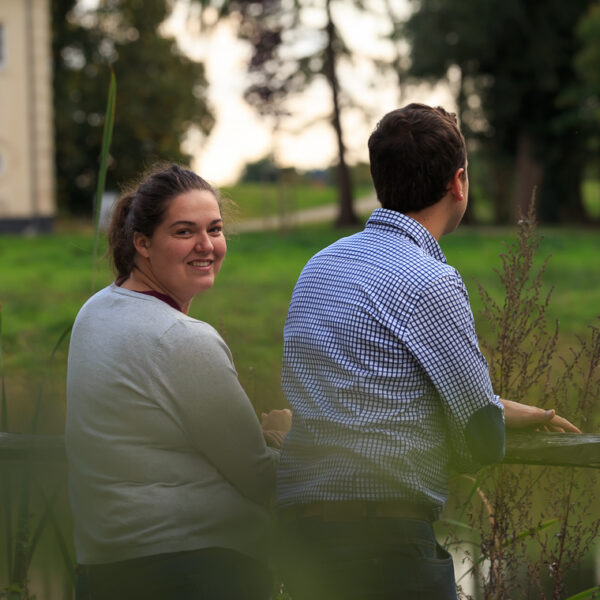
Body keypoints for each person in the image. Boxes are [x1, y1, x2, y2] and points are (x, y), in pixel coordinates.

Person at [274, 104, 580, 600]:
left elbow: (372, 385)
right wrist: (483, 418)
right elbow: (483, 440)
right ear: (458, 182)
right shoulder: (430, 281)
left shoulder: (320, 265)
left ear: (381, 179)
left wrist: (498, 407)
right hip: (386, 548)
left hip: (305, 541)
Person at [65, 164, 291, 600]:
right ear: (143, 243)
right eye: (184, 231)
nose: (206, 246)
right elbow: (262, 479)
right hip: (195, 571)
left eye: (215, 229)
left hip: (104, 570)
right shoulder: (181, 339)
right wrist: (282, 438)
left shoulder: (95, 312)